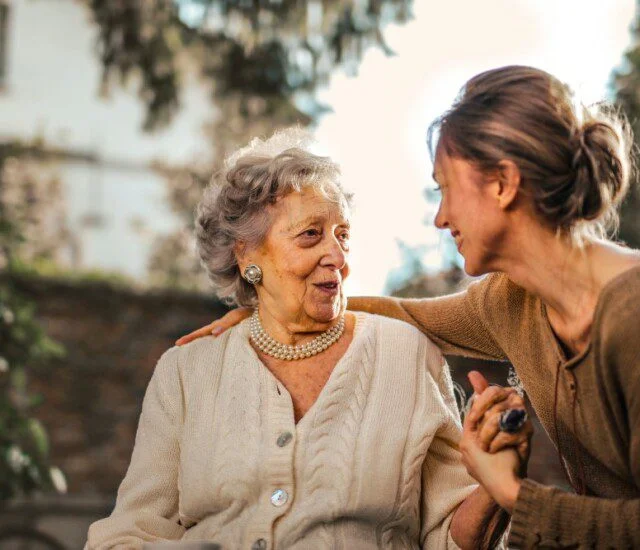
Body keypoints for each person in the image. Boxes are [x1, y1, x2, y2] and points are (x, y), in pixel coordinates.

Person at [178, 66, 640, 548]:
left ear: (503, 184)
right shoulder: (510, 303)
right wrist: (276, 306)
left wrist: (510, 492)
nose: (441, 218)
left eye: (445, 188)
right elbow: (408, 314)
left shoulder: (630, 317)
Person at [86, 130, 512, 549]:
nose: (339, 257)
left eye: (342, 235)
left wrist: (495, 487)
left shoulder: (406, 356)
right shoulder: (186, 372)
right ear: (246, 254)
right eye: (311, 234)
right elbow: (129, 533)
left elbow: (448, 537)